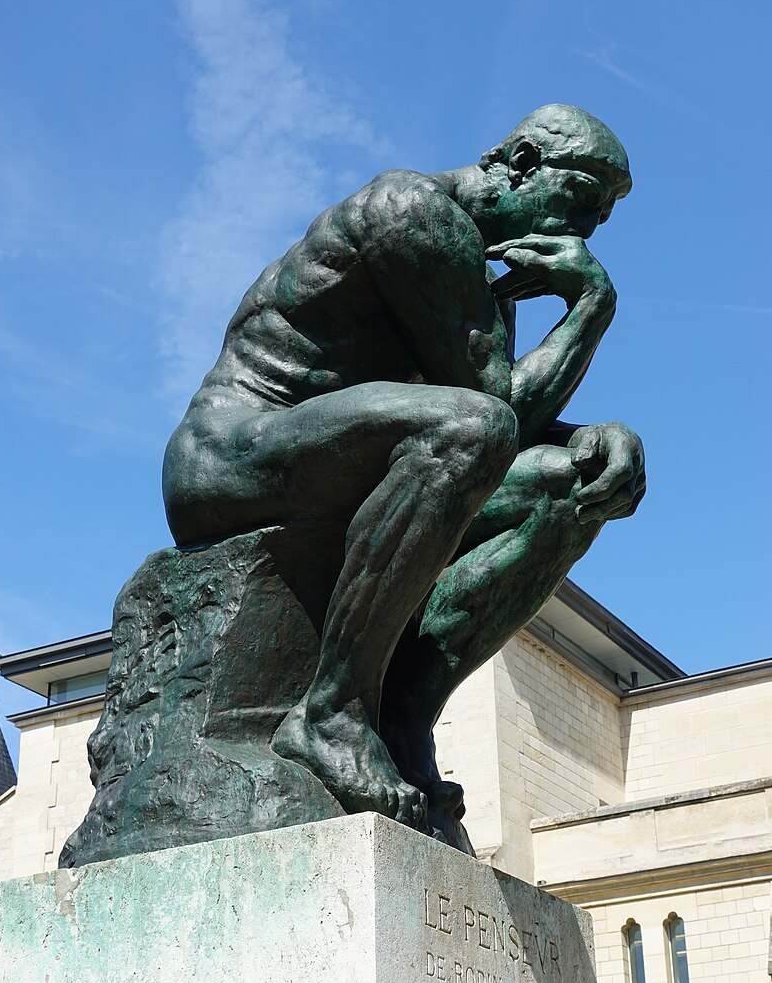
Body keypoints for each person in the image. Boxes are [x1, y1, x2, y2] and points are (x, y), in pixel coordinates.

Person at [162, 103, 645, 840]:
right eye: (579, 201)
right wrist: (591, 307)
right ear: (519, 162)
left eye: (597, 222)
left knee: (572, 481)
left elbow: (507, 417)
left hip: (351, 460)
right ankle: (332, 713)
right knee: (471, 428)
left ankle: (402, 718)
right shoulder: (412, 209)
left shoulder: (481, 280)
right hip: (231, 457)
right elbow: (492, 412)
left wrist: (598, 438)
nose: (580, 233)